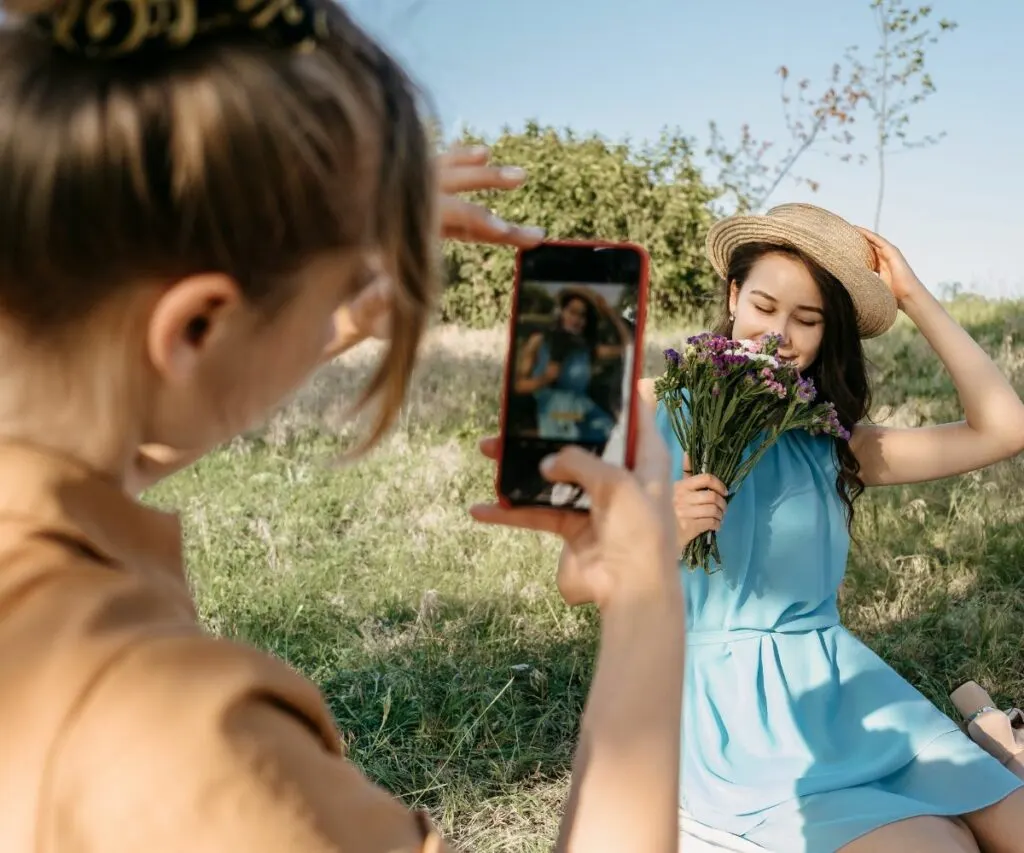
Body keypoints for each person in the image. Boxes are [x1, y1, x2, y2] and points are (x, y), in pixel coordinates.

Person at [0, 2, 688, 852]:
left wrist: (325, 289)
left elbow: (107, 447)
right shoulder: (187, 742)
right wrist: (649, 596)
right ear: (194, 329)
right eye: (341, 285)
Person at [643, 203, 1024, 852]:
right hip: (735, 722)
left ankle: (991, 743)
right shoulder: (659, 408)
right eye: (763, 305)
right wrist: (657, 531)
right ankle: (996, 741)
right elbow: (576, 581)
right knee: (945, 846)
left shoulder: (830, 441)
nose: (777, 334)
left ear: (829, 335)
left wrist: (911, 295)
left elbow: (1004, 427)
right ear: (734, 297)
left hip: (847, 692)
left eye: (807, 318)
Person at [514, 287, 628, 443]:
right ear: (562, 312)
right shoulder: (539, 341)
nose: (576, 320)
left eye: (582, 316)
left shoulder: (587, 348)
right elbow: (519, 385)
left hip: (585, 411)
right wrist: (545, 379)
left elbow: (630, 349)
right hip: (555, 413)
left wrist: (610, 312)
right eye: (572, 312)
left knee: (615, 438)